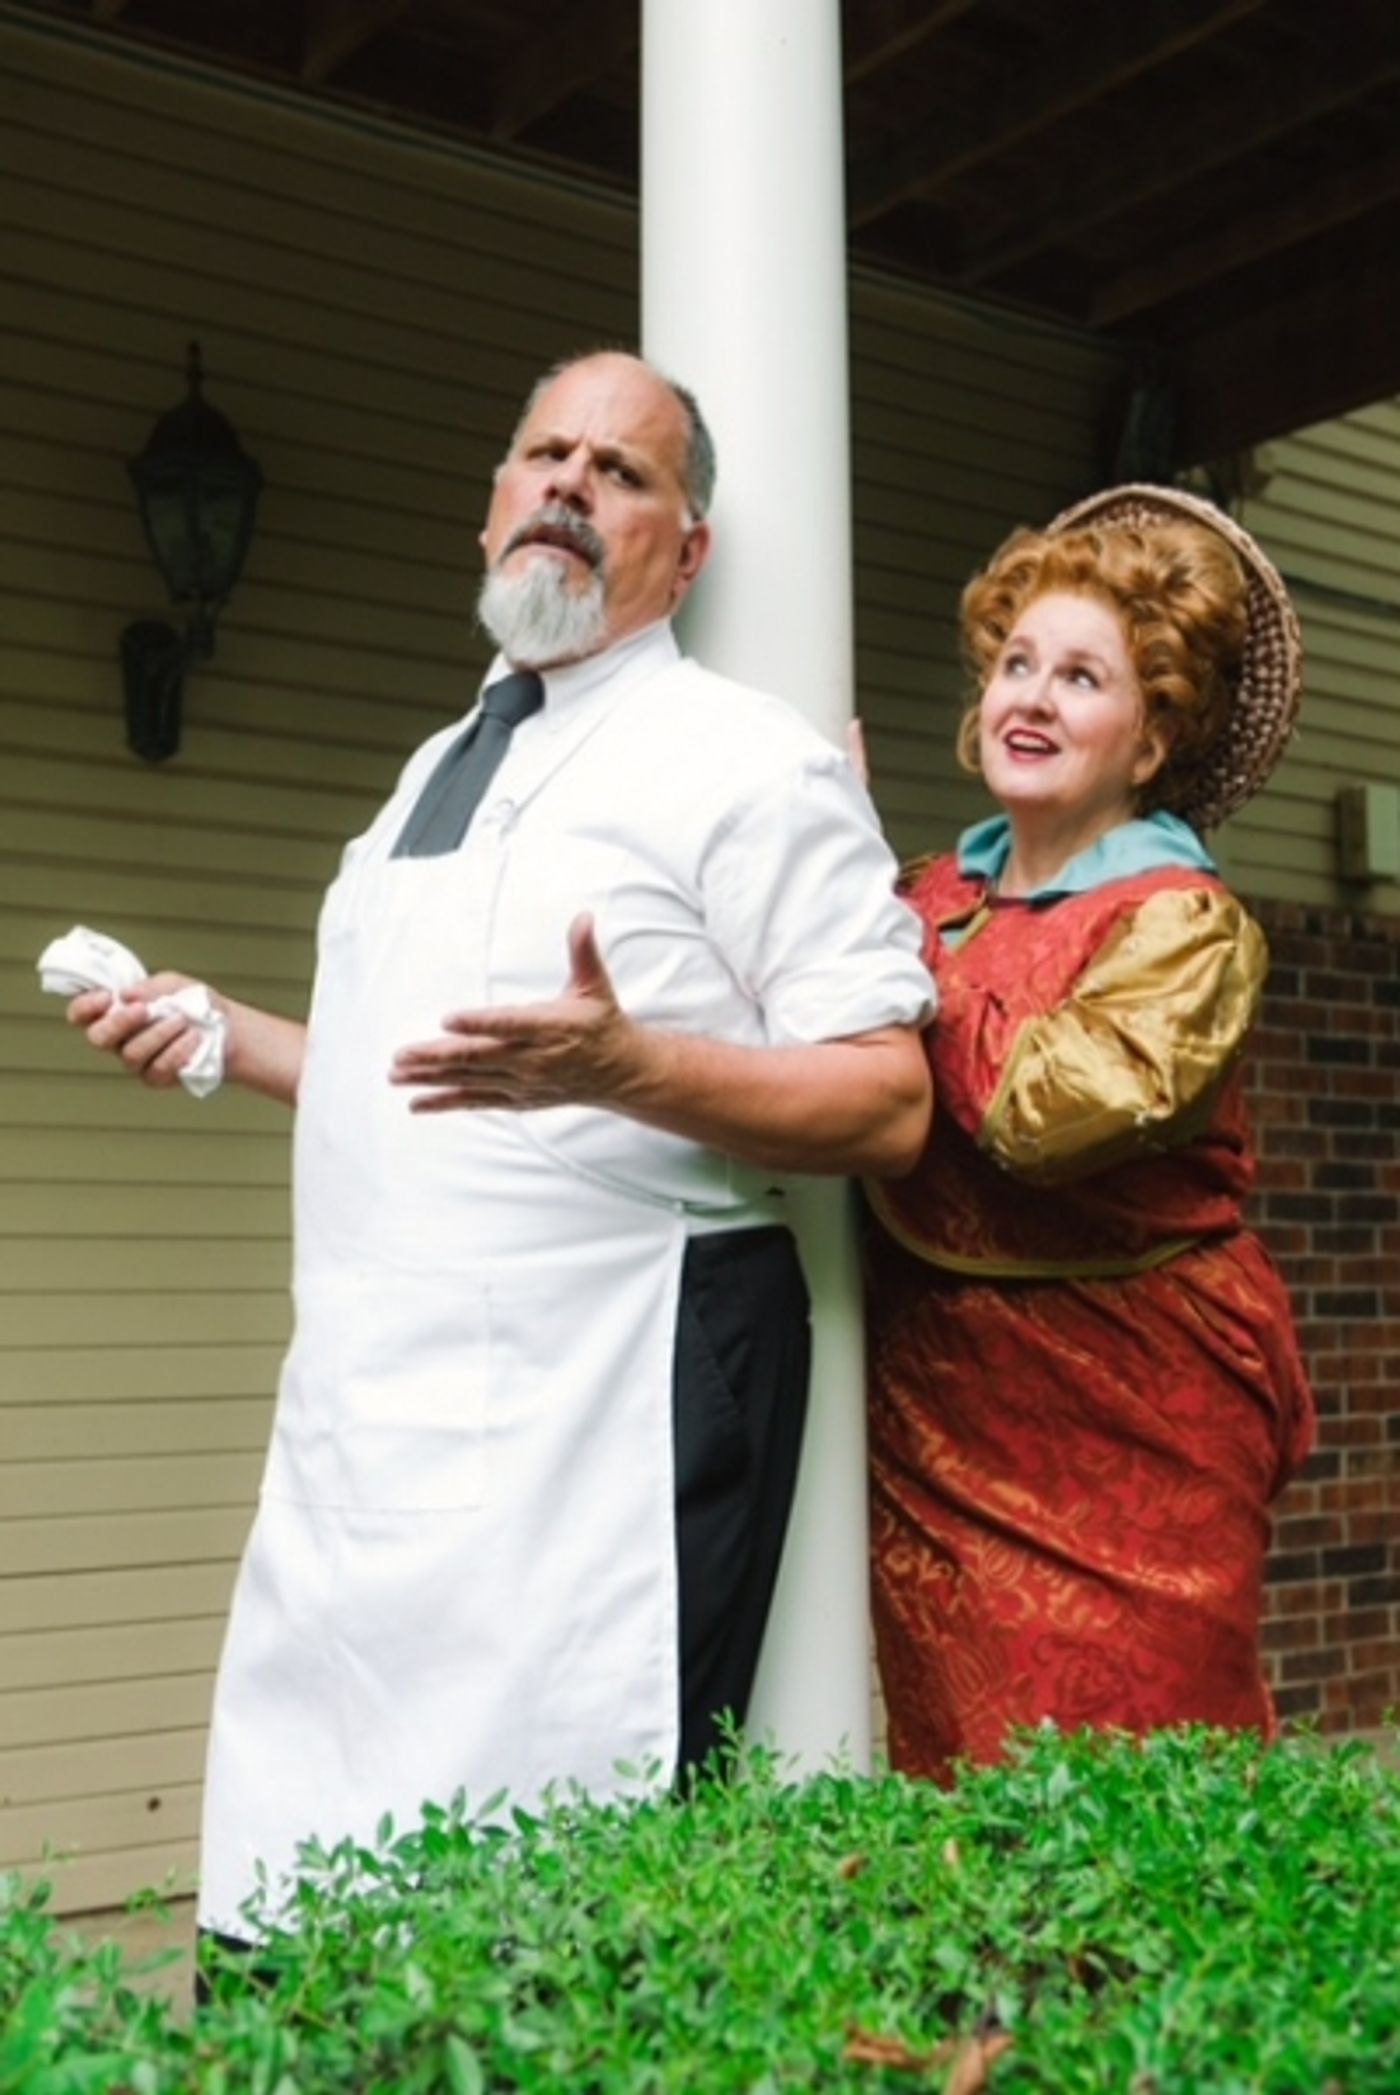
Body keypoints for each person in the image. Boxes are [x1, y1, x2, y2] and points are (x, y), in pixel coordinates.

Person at [70, 350, 933, 1941]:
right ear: (488, 514)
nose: (568, 488)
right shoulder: (427, 773)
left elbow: (887, 1099)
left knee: (550, 1922)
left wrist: (633, 1064)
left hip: (601, 1422)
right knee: (316, 1904)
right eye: (543, 455)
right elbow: (446, 1082)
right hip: (366, 1436)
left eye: (621, 472)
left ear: (689, 548)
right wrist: (222, 1031)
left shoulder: (744, 761)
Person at [863, 482, 1315, 1781]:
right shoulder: (922, 890)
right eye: (1016, 662)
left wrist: (885, 946)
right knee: (962, 1777)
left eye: (1082, 676)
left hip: (1140, 1409)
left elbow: (1040, 1112)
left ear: (1151, 738)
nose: (1033, 697)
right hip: (941, 1411)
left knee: (1152, 1774)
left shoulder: (1184, 924)